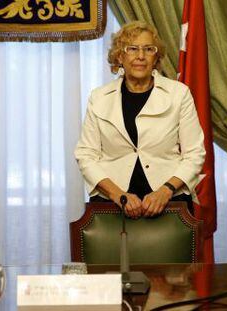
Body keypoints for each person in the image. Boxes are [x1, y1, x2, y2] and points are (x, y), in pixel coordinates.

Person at [75, 21, 205, 218]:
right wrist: (118, 195)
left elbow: (195, 154)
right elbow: (86, 155)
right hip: (112, 203)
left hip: (170, 203)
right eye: (132, 49)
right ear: (120, 56)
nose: (141, 56)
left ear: (156, 57)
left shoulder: (179, 94)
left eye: (148, 49)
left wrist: (166, 190)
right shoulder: (99, 97)